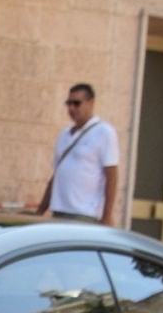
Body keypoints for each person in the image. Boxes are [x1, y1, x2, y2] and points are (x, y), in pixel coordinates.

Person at [38, 83, 120, 221]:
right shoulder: (64, 135)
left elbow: (111, 176)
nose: (71, 108)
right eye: (68, 103)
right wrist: (40, 211)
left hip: (84, 213)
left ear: (91, 103)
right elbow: (57, 175)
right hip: (59, 211)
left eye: (76, 103)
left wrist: (107, 215)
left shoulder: (104, 132)